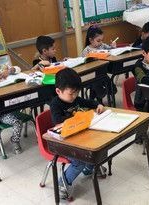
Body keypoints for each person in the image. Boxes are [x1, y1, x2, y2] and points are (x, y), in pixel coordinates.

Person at [50, 68, 106, 200]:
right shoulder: (55, 104)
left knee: (96, 147)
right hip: (63, 141)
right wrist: (77, 118)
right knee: (79, 160)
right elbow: (58, 122)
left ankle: (89, 168)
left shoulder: (75, 99)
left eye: (76, 93)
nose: (74, 97)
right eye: (71, 94)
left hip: (78, 137)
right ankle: (62, 184)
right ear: (58, 91)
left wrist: (98, 104)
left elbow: (89, 103)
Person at [82, 25, 117, 103]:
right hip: (92, 75)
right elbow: (83, 65)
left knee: (113, 89)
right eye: (98, 40)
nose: (101, 42)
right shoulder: (86, 51)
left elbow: (111, 52)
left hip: (102, 73)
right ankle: (97, 101)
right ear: (91, 40)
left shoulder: (103, 46)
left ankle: (94, 98)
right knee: (98, 89)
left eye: (102, 40)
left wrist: (113, 47)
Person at [0, 64, 23, 154]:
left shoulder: (2, 70)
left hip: (4, 113)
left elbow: (18, 69)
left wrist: (8, 71)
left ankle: (15, 141)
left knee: (17, 122)